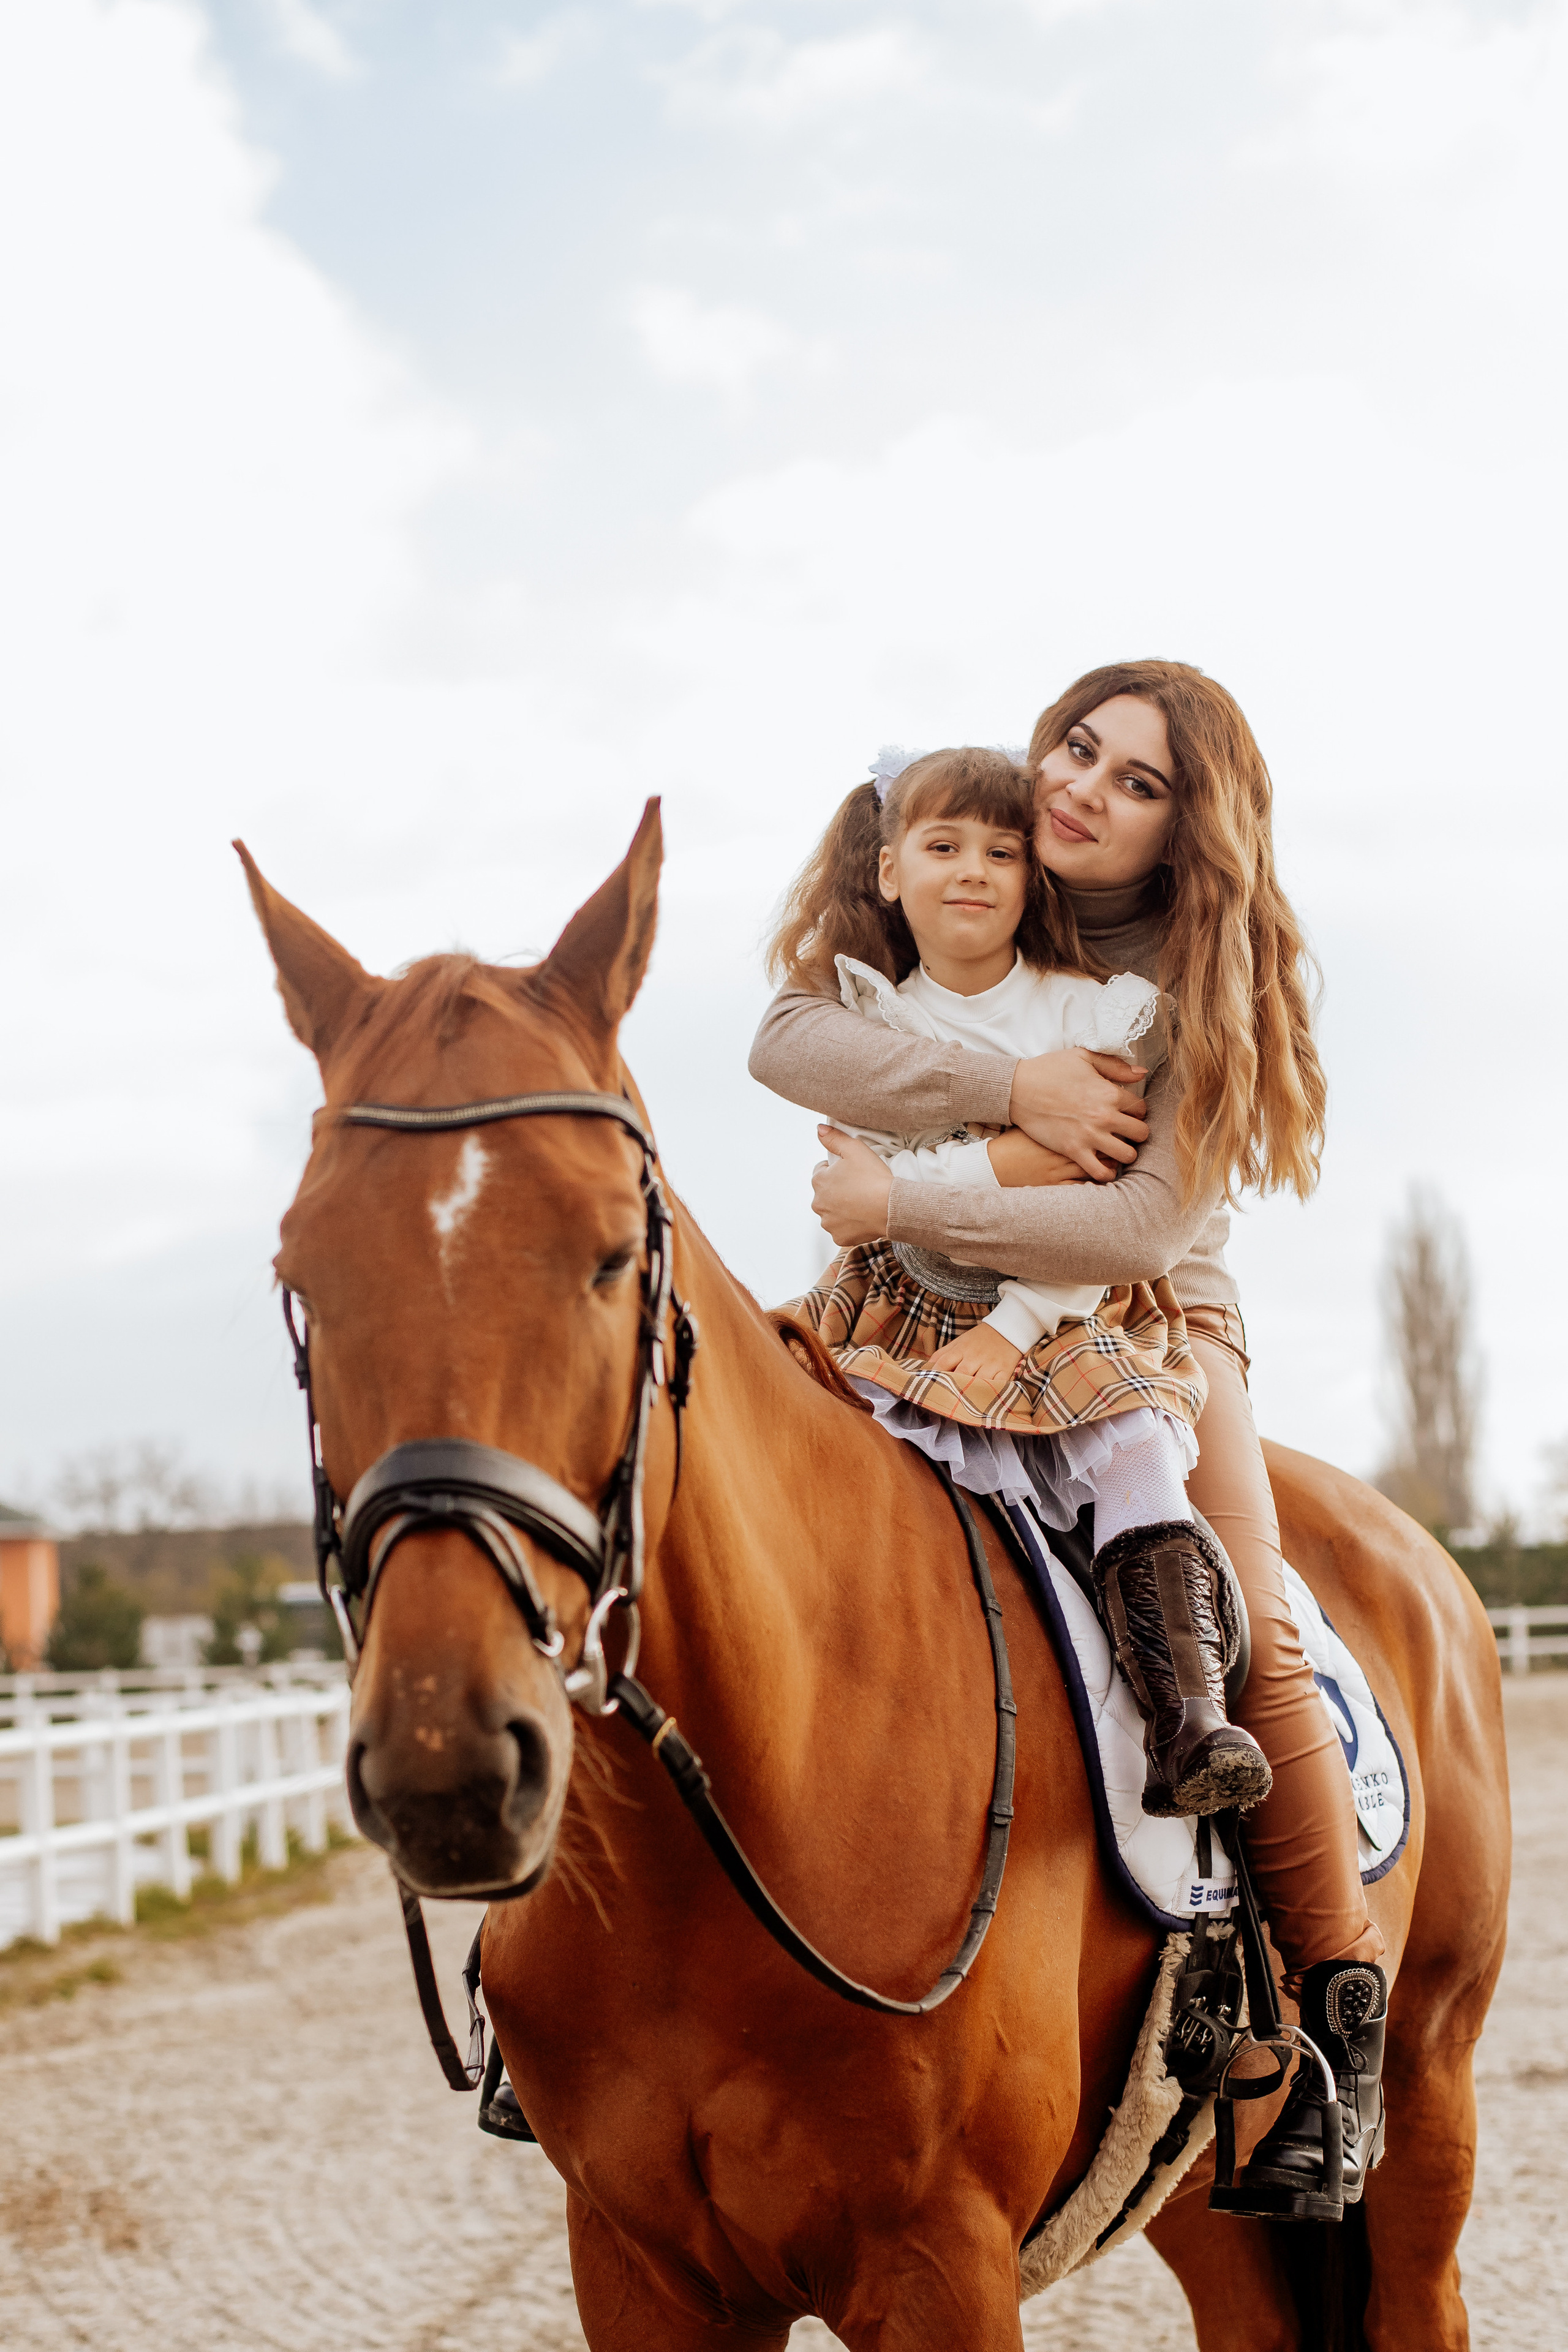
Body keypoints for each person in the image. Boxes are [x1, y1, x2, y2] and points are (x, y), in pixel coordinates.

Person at [750, 663, 1387, 2222]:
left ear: (1185, 835)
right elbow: (793, 1041)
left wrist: (911, 1189)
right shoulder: (965, 869)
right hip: (896, 1288)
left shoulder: (1183, 980)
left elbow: (1138, 1214)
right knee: (725, 1480)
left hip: (1150, 1310)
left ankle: (1331, 2028)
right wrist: (1009, 1093)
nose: (1080, 784)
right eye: (1076, 745)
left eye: (1136, 782)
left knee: (1249, 1624)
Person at [777, 741, 1270, 1822]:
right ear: (887, 869)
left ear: (1031, 877)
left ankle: (1189, 1716)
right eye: (943, 846)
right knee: (804, 1451)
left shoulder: (1083, 1011)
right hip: (895, 1303)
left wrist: (1011, 1317)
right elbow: (856, 1170)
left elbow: (1092, 1202)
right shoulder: (870, 1019)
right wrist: (1002, 1151)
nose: (974, 870)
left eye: (1003, 851)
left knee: (1131, 1444)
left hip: (1061, 1306)